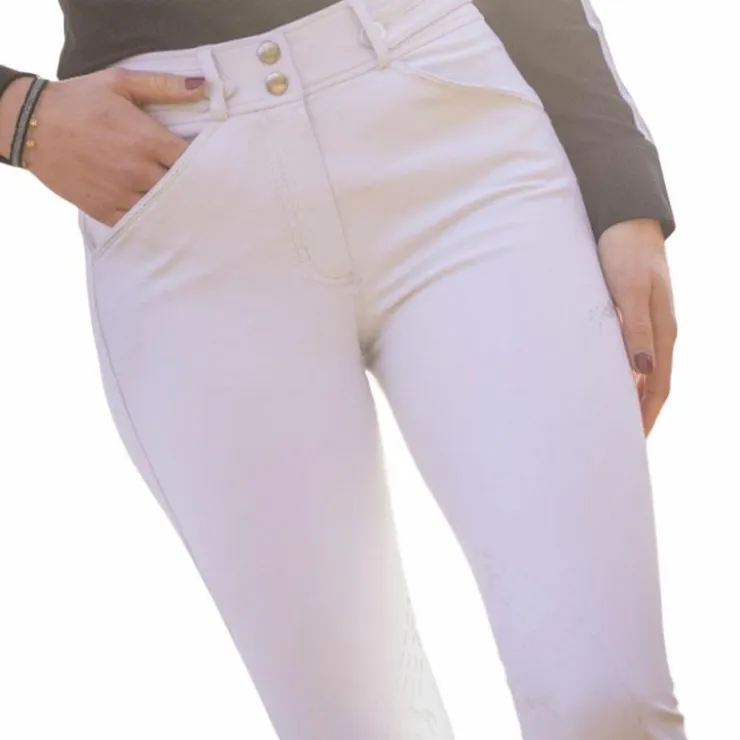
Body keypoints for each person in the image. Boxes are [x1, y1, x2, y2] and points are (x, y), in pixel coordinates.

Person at [0, 0, 684, 738]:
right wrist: (17, 113)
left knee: (607, 701)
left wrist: (619, 181)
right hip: (180, 194)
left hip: (457, 145)